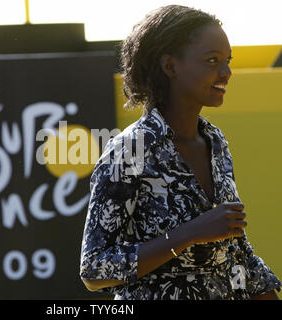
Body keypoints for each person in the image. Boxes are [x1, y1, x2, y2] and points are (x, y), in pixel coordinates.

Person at [79, 4, 282, 300]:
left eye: (228, 61)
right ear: (170, 66)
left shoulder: (215, 142)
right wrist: (190, 232)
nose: (226, 72)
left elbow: (235, 251)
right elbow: (95, 269)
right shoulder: (129, 150)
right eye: (212, 61)